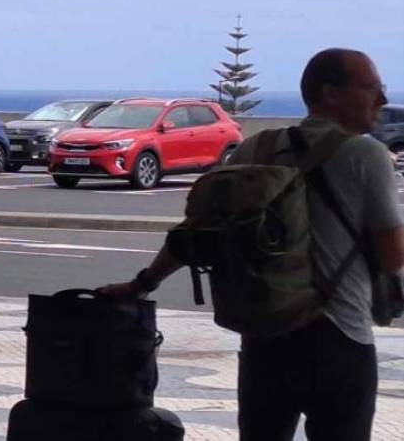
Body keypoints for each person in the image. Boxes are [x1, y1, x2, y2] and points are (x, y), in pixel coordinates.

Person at [99, 48, 403, 441]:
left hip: (265, 335)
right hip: (338, 336)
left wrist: (141, 284)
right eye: (371, 88)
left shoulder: (254, 149)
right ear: (330, 93)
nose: (380, 99)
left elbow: (195, 233)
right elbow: (392, 254)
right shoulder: (367, 154)